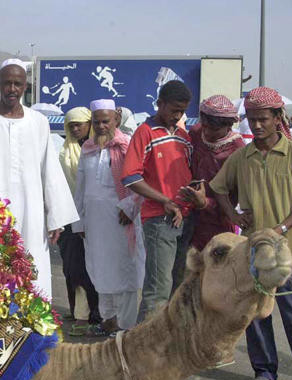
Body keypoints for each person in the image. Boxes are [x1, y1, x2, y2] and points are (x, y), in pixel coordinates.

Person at [209, 87, 292, 380]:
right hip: (253, 254)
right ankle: (264, 373)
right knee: (255, 317)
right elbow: (220, 189)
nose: (257, 125)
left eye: (263, 119)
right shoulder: (243, 156)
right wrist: (234, 217)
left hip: (289, 254)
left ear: (278, 117)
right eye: (251, 120)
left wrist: (280, 228)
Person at [0, 58, 78, 299]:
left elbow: (49, 170)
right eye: (7, 83)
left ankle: (32, 327)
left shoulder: (38, 122)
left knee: (31, 270)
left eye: (17, 84)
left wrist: (56, 217)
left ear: (25, 86)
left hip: (30, 211)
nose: (12, 89)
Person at [121, 80, 194, 322]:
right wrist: (165, 200)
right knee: (157, 289)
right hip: (159, 219)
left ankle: (168, 347)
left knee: (178, 288)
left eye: (182, 111)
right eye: (174, 110)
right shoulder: (145, 132)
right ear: (159, 104)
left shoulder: (184, 136)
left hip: (184, 218)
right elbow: (130, 177)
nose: (178, 115)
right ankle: (141, 352)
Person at [73, 99, 145, 333]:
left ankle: (125, 326)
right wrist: (79, 221)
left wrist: (130, 207)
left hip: (120, 220)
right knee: (100, 270)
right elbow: (81, 187)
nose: (102, 126)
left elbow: (139, 182)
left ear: (116, 119)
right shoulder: (88, 148)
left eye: (106, 121)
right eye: (97, 122)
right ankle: (108, 320)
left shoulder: (127, 147)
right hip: (94, 222)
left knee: (124, 272)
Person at [179, 95, 245, 251]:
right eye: (205, 125)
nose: (207, 132)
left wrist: (205, 203)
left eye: (214, 129)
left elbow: (233, 201)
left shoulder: (237, 151)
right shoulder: (196, 133)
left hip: (218, 223)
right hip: (189, 216)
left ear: (228, 126)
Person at [57, 106, 102, 336]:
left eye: (79, 124)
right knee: (72, 267)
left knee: (91, 267)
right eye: (71, 125)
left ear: (89, 124)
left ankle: (92, 314)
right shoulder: (65, 151)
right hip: (68, 216)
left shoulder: (97, 148)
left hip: (94, 216)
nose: (75, 129)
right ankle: (78, 312)